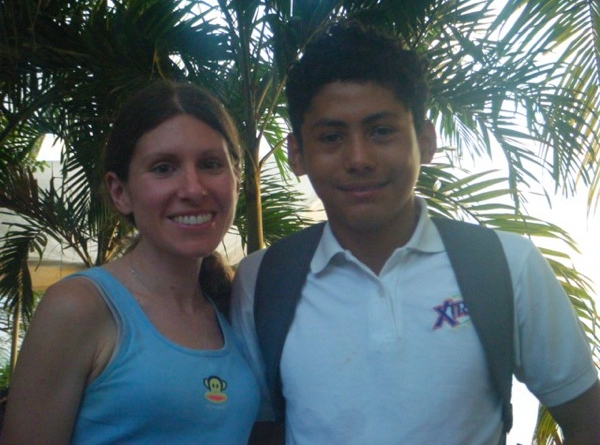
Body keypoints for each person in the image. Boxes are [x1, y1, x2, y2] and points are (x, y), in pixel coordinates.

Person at [230, 22, 600, 444]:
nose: (358, 158)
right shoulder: (264, 281)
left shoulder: (504, 265)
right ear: (297, 154)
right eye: (331, 137)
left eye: (381, 131)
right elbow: (260, 429)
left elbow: (587, 419)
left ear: (425, 140)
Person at [1, 81, 260, 444]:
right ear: (120, 192)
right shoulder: (80, 307)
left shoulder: (233, 307)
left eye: (210, 164)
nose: (193, 188)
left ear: (237, 178)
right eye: (164, 168)